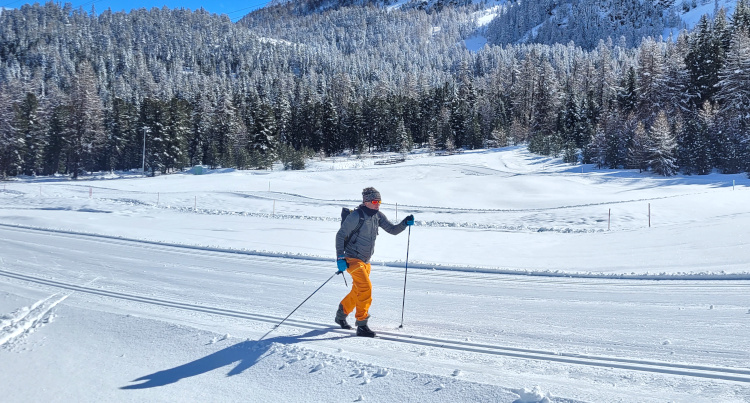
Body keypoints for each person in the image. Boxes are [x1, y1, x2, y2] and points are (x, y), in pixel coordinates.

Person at [335, 187, 414, 337]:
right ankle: (362, 324)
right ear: (365, 202)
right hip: (352, 259)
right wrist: (340, 257)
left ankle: (341, 314)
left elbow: (392, 229)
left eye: (379, 201)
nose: (378, 204)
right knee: (366, 288)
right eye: (374, 201)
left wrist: (404, 223)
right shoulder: (356, 216)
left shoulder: (378, 216)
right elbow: (340, 235)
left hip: (366, 261)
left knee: (357, 290)